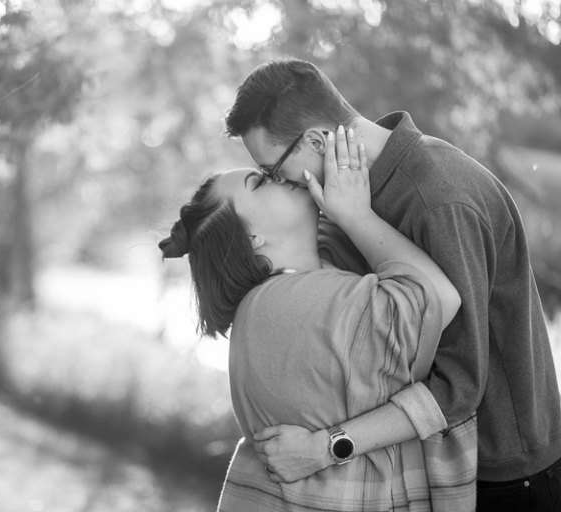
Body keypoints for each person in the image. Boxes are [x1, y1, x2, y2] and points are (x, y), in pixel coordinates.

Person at [224, 58, 561, 510]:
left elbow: (458, 386)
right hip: (439, 469)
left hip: (504, 476)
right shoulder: (349, 195)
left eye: (275, 169)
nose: (280, 183)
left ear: (317, 140)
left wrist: (324, 447)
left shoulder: (439, 201)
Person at [159, 131, 476, 510]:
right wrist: (357, 214)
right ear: (253, 238)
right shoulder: (284, 307)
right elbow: (437, 300)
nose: (277, 176)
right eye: (260, 181)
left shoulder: (307, 276)